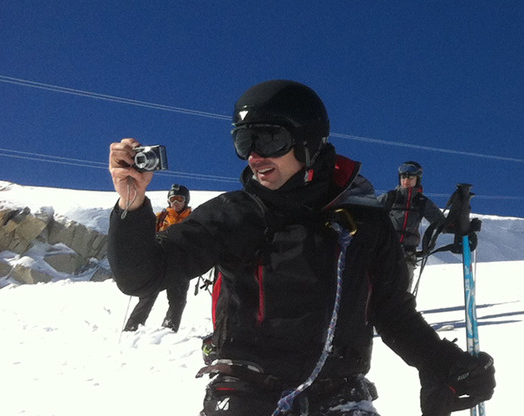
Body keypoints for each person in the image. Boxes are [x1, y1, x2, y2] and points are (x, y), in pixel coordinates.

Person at [106, 79, 494, 416]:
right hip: (245, 388)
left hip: (339, 391)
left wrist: (443, 363)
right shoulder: (235, 214)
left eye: (269, 139)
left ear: (308, 140)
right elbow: (141, 276)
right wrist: (131, 204)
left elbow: (392, 312)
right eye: (244, 142)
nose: (255, 155)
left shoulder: (364, 223)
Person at [123, 184, 193, 332]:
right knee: (148, 294)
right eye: (172, 199)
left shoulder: (192, 219)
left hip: (180, 263)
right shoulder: (161, 218)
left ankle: (169, 328)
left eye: (179, 199)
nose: (175, 202)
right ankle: (132, 327)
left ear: (186, 201)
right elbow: (145, 234)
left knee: (178, 298)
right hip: (158, 261)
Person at [379, 161, 447, 271]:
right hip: (386, 251)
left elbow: (442, 223)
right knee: (382, 286)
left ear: (417, 179)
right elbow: (369, 214)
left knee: (404, 287)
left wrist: (463, 226)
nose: (406, 181)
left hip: (408, 254)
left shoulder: (422, 202)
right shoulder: (390, 197)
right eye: (403, 177)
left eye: (410, 177)